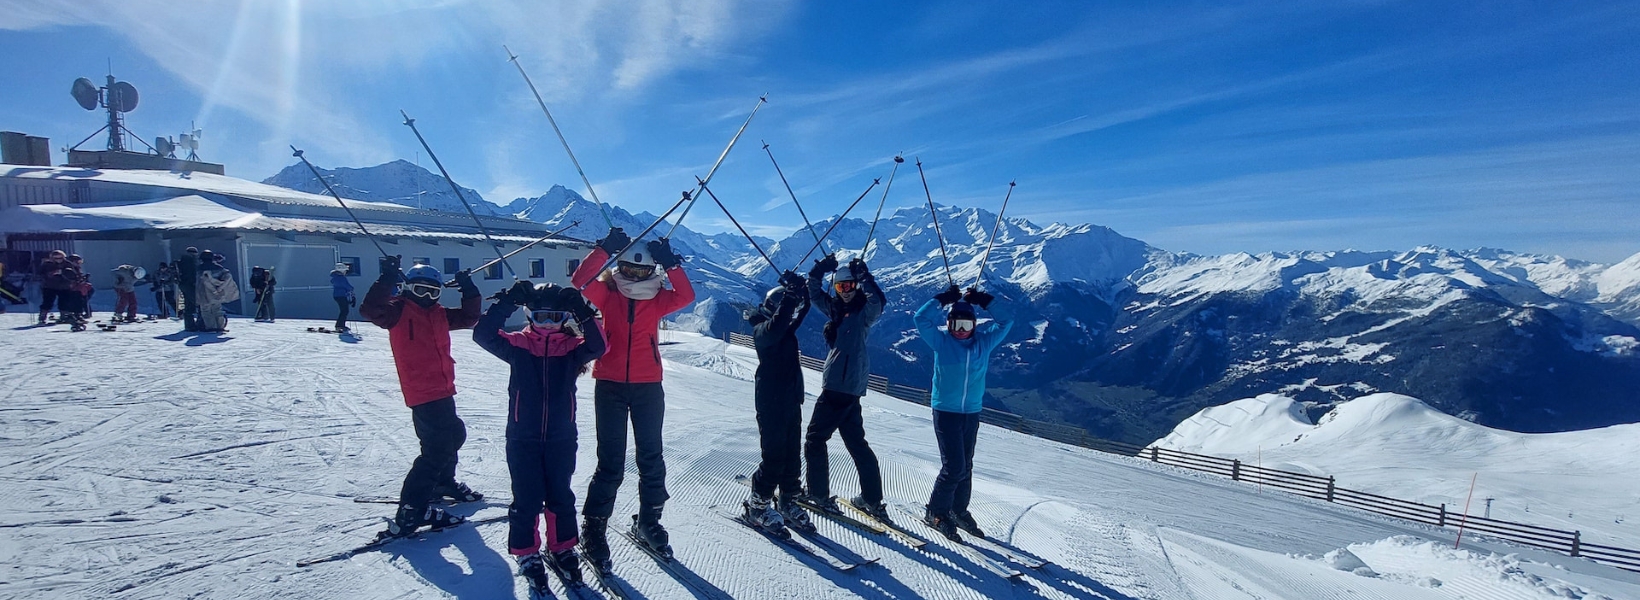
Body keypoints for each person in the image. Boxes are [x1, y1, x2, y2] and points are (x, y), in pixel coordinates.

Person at [570, 227, 693, 568]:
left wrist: (671, 264)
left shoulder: (658, 299)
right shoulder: (608, 295)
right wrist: (603, 248)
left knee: (651, 459)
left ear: (651, 272)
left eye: (642, 271)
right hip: (609, 384)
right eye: (629, 270)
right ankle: (594, 529)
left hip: (647, 386)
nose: (635, 276)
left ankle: (649, 521)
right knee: (610, 463)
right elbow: (580, 280)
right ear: (619, 268)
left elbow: (686, 296)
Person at [473, 280, 606, 592]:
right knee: (527, 498)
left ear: (566, 319)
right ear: (529, 316)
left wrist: (583, 311)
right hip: (523, 437)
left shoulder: (573, 350)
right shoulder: (518, 345)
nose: (549, 324)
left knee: (561, 495)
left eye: (556, 317)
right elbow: (482, 335)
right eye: (541, 317)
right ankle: (527, 553)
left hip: (561, 436)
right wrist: (506, 302)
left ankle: (561, 546)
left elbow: (599, 345)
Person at [359, 256, 485, 538]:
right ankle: (411, 511)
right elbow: (370, 309)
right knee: (436, 451)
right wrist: (387, 277)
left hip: (443, 388)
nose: (427, 297)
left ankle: (442, 483)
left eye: (433, 291)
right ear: (407, 290)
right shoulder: (398, 312)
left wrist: (469, 288)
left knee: (454, 435)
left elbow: (469, 317)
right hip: (421, 392)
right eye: (420, 291)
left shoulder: (439, 314)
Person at [913, 285, 1014, 541]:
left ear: (974, 325)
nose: (960, 330)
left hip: (971, 412)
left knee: (965, 465)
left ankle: (958, 510)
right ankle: (936, 512)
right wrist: (942, 299)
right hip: (945, 411)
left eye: (965, 325)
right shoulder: (941, 342)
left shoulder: (983, 343)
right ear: (948, 325)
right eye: (955, 325)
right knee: (954, 466)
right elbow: (920, 318)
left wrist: (984, 300)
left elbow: (1007, 320)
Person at [801, 255, 887, 520]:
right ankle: (871, 499)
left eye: (850, 286)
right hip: (849, 386)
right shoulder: (837, 310)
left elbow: (878, 302)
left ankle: (817, 494)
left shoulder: (863, 313)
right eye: (840, 287)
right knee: (856, 443)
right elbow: (814, 296)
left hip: (839, 385)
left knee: (815, 439)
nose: (846, 292)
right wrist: (818, 272)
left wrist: (865, 276)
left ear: (856, 286)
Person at [742, 270, 812, 535]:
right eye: (786, 312)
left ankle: (788, 500)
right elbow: (780, 323)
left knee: (793, 455)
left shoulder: (782, 327)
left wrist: (803, 290)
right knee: (774, 457)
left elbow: (798, 314)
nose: (791, 319)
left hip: (791, 400)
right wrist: (791, 298)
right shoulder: (763, 331)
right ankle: (757, 504)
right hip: (771, 403)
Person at [195, 251, 240, 333]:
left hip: (204, 294)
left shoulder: (199, 269)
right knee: (217, 310)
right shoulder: (220, 268)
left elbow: (198, 283)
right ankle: (220, 327)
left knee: (206, 311)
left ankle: (211, 327)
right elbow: (226, 278)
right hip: (217, 293)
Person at [35, 250, 77, 325]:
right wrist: (50, 274)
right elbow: (40, 274)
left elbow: (72, 274)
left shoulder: (68, 264)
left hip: (64, 286)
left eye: (60, 258)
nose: (58, 260)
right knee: (47, 302)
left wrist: (63, 272)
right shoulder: (47, 264)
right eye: (56, 258)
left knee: (64, 302)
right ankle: (42, 317)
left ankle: (64, 316)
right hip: (49, 286)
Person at [178, 247, 201, 331]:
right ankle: (201, 324)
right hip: (191, 285)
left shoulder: (181, 261)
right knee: (200, 304)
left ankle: (189, 325)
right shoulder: (192, 261)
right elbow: (194, 273)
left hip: (183, 285)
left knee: (188, 305)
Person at [331, 263, 355, 332]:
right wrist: (351, 289)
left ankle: (341, 325)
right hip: (341, 295)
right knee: (344, 310)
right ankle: (340, 325)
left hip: (339, 295)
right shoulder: (341, 278)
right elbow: (346, 285)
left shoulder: (336, 277)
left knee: (344, 310)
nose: (345, 272)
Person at [68, 255, 92, 320]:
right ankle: (75, 313)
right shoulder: (69, 269)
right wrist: (81, 279)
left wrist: (84, 278)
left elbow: (79, 277)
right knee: (79, 299)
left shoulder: (77, 268)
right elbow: (73, 278)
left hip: (80, 287)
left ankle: (86, 312)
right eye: (77, 262)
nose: (79, 264)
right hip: (74, 287)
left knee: (85, 297)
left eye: (80, 262)